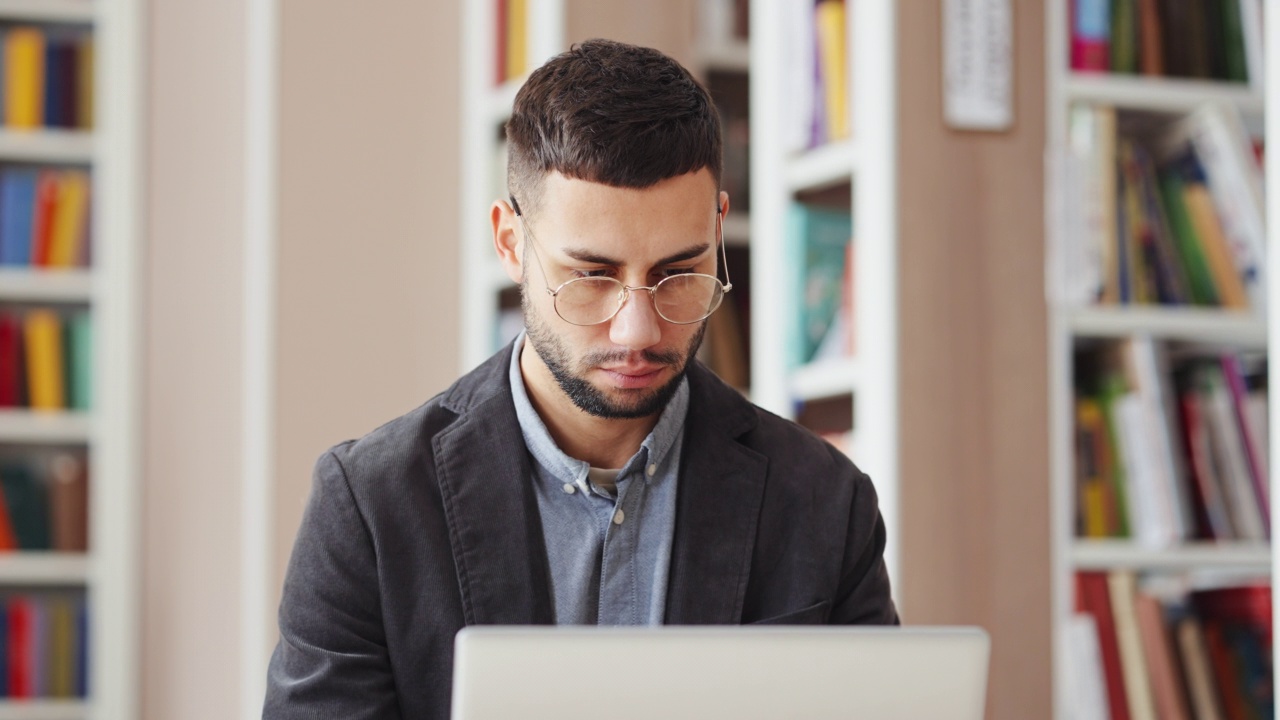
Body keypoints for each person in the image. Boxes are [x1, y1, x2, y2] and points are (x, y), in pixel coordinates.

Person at [263, 38, 897, 720]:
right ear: (510, 242)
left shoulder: (826, 503)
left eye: (678, 273)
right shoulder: (370, 509)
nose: (638, 331)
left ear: (717, 231)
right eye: (592, 276)